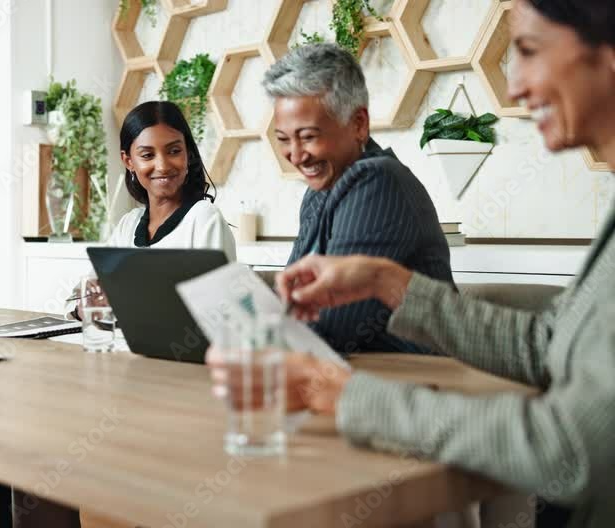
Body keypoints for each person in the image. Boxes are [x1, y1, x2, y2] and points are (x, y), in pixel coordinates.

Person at [211, 1, 615, 526]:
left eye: (531, 50)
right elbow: (545, 346)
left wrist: (345, 395)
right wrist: (389, 282)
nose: (514, 87)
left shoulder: (376, 181)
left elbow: (569, 450)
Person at [264, 43, 454, 354]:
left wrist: (251, 330)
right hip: (356, 376)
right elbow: (293, 303)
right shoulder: (319, 192)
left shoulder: (379, 182)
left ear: (359, 124)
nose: (296, 156)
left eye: (309, 136)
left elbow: (330, 326)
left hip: (418, 384)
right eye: (284, 139)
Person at [109, 100, 236, 260]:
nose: (162, 166)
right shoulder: (128, 225)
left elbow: (215, 284)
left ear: (188, 155)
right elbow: (92, 280)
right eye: (147, 155)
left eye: (174, 151)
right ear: (128, 161)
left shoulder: (203, 218)